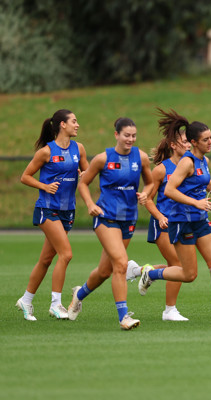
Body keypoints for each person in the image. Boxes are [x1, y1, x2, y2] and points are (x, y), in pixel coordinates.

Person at [138, 110, 211, 325]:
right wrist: (196, 202)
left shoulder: (204, 160)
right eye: (206, 139)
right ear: (194, 142)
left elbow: (207, 182)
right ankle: (151, 275)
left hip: (200, 220)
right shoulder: (186, 162)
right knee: (189, 274)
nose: (210, 142)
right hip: (181, 221)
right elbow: (170, 191)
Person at [67, 117, 154, 330]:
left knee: (105, 271)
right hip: (106, 218)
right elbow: (83, 183)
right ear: (116, 135)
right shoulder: (102, 158)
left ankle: (78, 294)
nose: (130, 139)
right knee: (122, 264)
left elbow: (151, 182)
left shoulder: (141, 157)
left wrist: (145, 194)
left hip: (129, 219)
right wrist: (89, 204)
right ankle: (124, 317)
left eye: (134, 135)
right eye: (126, 135)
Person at [16, 109, 88, 321]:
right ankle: (56, 304)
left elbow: (87, 174)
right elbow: (25, 176)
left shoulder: (79, 148)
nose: (77, 124)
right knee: (66, 254)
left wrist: (85, 175)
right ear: (62, 125)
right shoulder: (46, 152)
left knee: (46, 259)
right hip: (47, 209)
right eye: (74, 121)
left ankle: (26, 300)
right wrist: (44, 186)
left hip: (68, 211)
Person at [127, 108, 192, 321]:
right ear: (173, 145)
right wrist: (159, 216)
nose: (189, 144)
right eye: (185, 141)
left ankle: (139, 271)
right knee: (178, 265)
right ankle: (169, 311)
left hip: (183, 223)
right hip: (163, 223)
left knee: (180, 266)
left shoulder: (191, 166)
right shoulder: (161, 170)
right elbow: (148, 199)